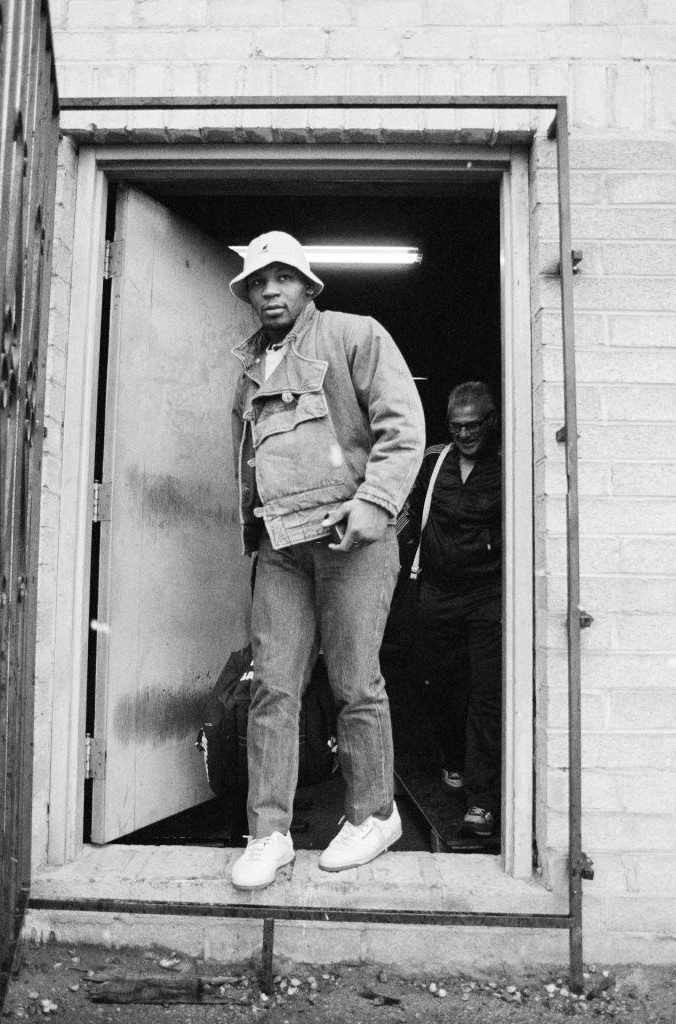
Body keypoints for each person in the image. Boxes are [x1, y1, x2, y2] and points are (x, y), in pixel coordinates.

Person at [228, 231, 425, 890]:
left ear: (308, 286)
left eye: (282, 278)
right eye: (258, 282)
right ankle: (269, 833)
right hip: (281, 546)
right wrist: (250, 533)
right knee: (272, 688)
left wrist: (376, 503)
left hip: (353, 540)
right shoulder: (252, 366)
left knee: (353, 683)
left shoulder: (354, 335)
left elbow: (404, 428)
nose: (270, 291)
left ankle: (374, 814)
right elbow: (251, 462)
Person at [405, 381, 502, 839]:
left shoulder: (508, 465)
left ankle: (481, 800)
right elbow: (403, 515)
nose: (465, 434)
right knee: (436, 682)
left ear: (492, 420)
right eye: (457, 426)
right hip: (437, 592)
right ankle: (453, 760)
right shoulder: (434, 462)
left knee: (486, 692)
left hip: (488, 594)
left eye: (473, 425)